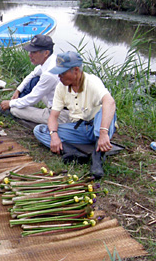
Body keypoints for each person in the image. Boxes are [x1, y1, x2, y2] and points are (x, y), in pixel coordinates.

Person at [33, 51, 117, 179]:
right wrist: (54, 135)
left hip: (97, 126)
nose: (59, 77)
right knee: (40, 130)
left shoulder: (92, 81)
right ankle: (72, 153)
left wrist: (104, 132)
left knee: (105, 110)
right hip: (80, 128)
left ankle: (97, 158)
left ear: (76, 70)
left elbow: (109, 102)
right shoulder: (61, 88)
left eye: (62, 73)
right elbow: (53, 116)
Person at [0, 35, 69, 124]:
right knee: (35, 79)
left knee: (15, 110)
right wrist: (18, 90)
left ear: (46, 53)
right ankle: (20, 104)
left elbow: (33, 97)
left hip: (62, 115)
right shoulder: (52, 59)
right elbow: (33, 74)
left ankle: (17, 112)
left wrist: (11, 104)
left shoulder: (50, 73)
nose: (30, 55)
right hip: (57, 102)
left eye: (34, 52)